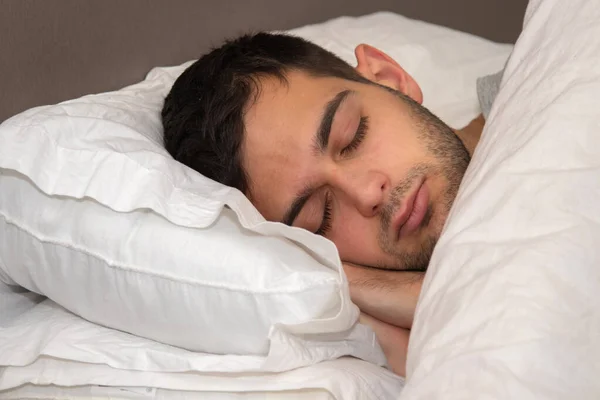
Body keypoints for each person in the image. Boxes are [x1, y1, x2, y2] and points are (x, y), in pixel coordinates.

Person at [161, 32, 499, 376]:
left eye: (354, 136)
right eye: (319, 216)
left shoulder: (543, 84)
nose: (368, 194)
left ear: (388, 78)